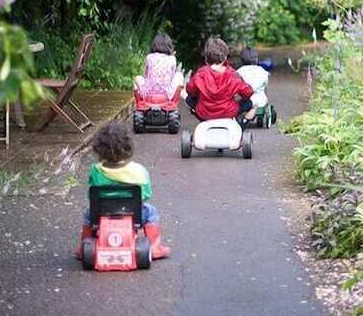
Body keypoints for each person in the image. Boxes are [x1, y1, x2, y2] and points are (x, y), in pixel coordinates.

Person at [76, 123, 171, 259]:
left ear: (99, 149)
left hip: (101, 214)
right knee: (151, 212)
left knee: (87, 214)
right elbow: (145, 195)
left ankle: (83, 246)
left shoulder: (95, 170)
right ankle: (155, 247)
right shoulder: (139, 170)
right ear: (128, 147)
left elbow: (92, 194)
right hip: (133, 215)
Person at [184, 37, 254, 122]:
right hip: (228, 112)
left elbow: (190, 90)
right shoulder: (232, 75)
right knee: (248, 103)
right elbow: (248, 92)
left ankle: (203, 121)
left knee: (189, 99)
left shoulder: (200, 74)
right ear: (225, 58)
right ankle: (240, 125)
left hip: (205, 113)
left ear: (206, 59)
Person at [135, 33, 184, 99]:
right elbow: (171, 78)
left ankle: (140, 100)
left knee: (138, 77)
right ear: (169, 46)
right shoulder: (172, 59)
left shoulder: (149, 57)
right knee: (179, 75)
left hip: (148, 94)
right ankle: (174, 101)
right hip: (167, 95)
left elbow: (145, 75)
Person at [236, 46, 269, 122]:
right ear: (256, 58)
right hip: (260, 100)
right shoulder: (262, 71)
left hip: (244, 100)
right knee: (263, 97)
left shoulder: (239, 72)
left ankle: (243, 119)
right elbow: (265, 84)